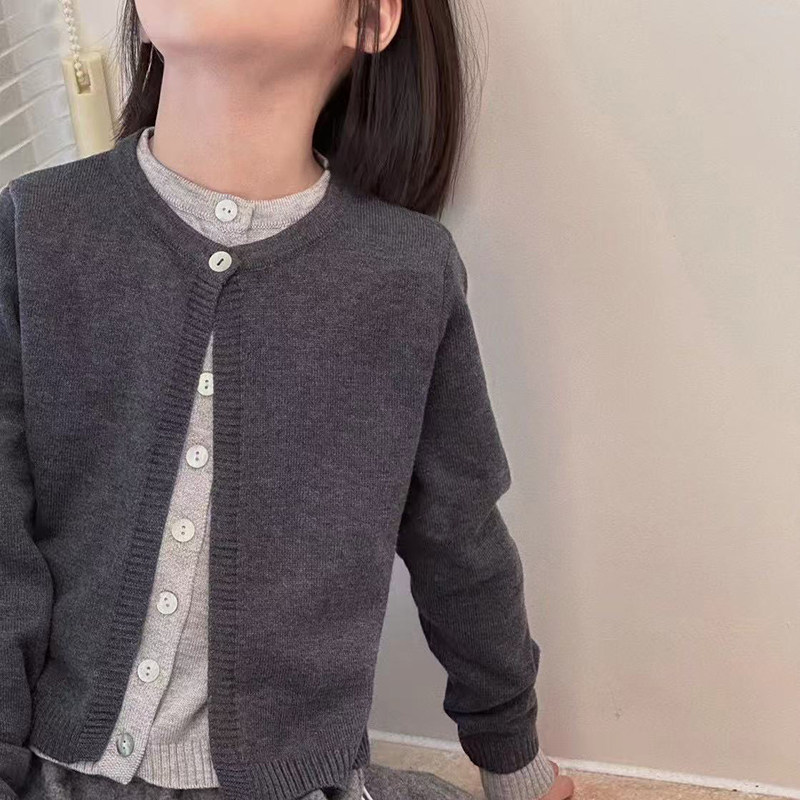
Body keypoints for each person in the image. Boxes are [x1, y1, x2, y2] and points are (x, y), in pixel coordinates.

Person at [0, 1, 575, 799]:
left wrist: (513, 766)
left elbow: (460, 542)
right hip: (54, 769)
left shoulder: (406, 273)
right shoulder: (39, 225)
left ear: (371, 20)